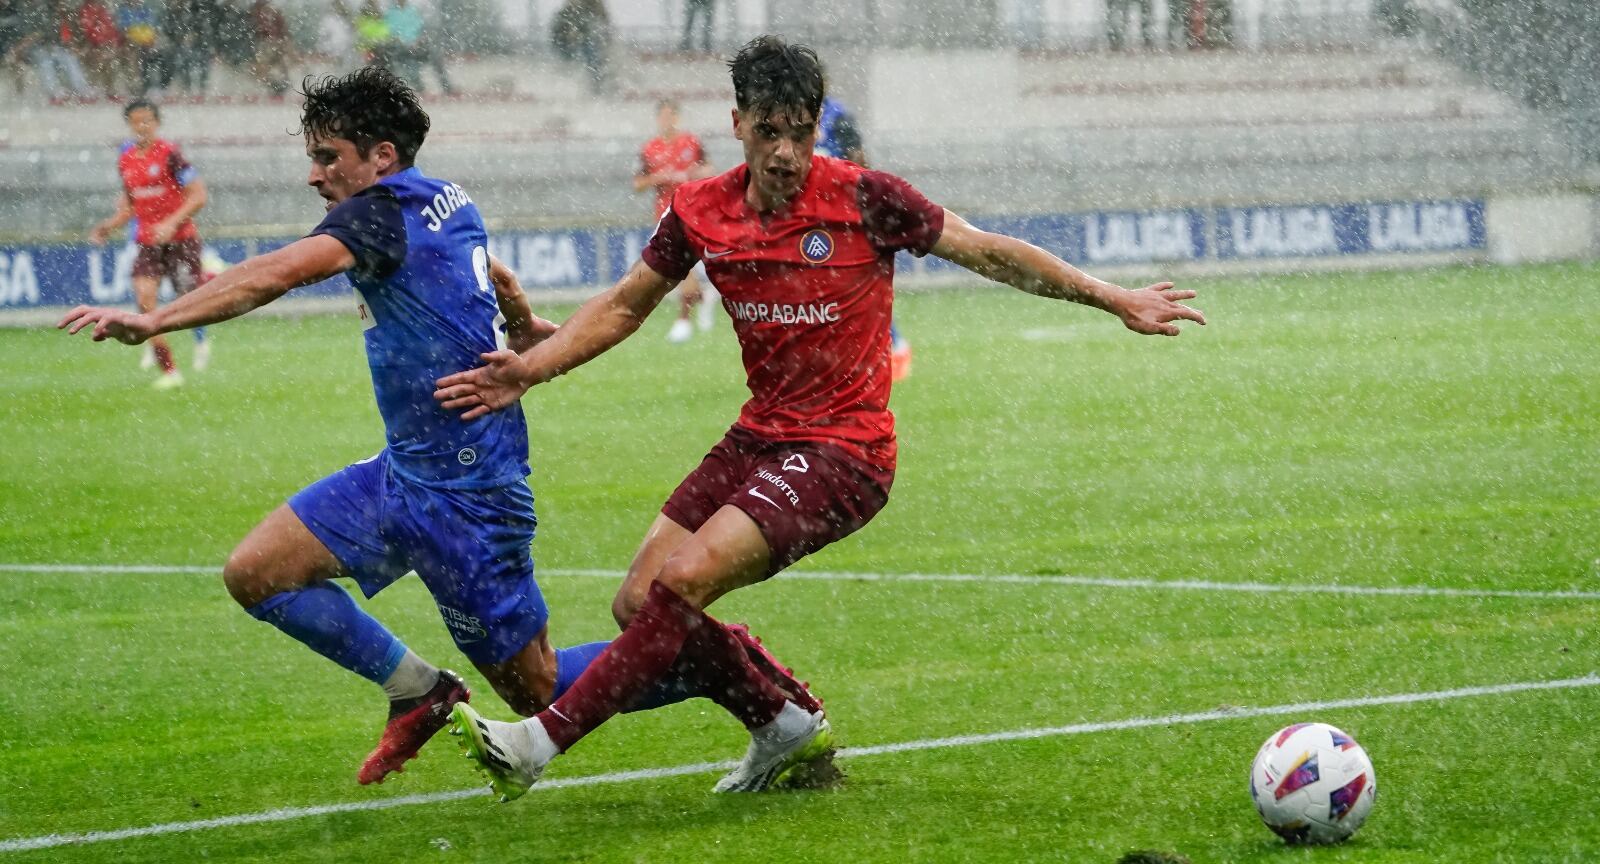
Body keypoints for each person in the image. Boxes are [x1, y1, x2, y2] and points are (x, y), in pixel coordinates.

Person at [434, 35, 1204, 801]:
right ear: (738, 124)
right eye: (769, 131)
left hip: (847, 451)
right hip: (760, 434)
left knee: (682, 583)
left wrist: (1115, 298)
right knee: (638, 601)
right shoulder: (699, 208)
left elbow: (990, 251)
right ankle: (782, 721)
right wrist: (533, 367)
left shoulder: (867, 196)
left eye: (800, 132)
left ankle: (539, 743)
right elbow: (627, 304)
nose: (785, 153)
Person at [60, 66, 816, 787]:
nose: (315, 174)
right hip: (403, 474)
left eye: (330, 157)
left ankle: (723, 667)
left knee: (536, 689)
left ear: (382, 157)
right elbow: (498, 282)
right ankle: (419, 691)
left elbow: (278, 272)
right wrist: (521, 329)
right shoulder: (445, 199)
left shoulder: (376, 214)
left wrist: (156, 317)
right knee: (256, 574)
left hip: (469, 495)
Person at [88, 100, 210, 388]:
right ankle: (170, 372)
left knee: (191, 302)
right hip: (147, 242)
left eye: (147, 121)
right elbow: (130, 206)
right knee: (145, 303)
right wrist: (108, 226)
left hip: (181, 240)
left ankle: (203, 343)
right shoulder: (126, 160)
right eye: (135, 121)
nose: (141, 127)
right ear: (129, 124)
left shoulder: (171, 155)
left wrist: (171, 223)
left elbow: (199, 195)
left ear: (157, 122)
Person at [815, 92, 912, 381]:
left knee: (852, 282)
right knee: (825, 285)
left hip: (838, 213)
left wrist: (860, 203)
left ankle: (895, 345)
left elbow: (859, 160)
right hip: (811, 213)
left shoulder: (838, 118)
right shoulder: (793, 118)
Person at [635, 98, 715, 343]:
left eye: (671, 116)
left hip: (692, 210)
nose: (667, 120)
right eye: (663, 116)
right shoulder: (650, 149)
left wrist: (694, 173)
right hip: (664, 213)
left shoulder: (691, 142)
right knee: (680, 264)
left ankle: (685, 318)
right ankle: (699, 302)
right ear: (658, 119)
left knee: (683, 264)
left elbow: (709, 170)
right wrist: (657, 178)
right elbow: (638, 183)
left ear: (677, 118)